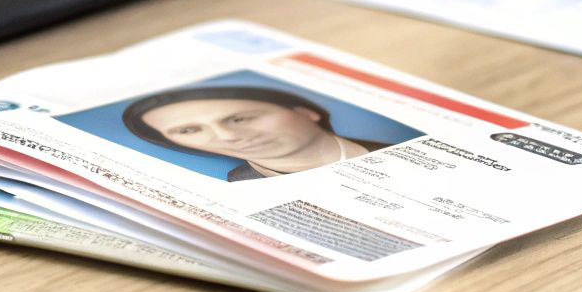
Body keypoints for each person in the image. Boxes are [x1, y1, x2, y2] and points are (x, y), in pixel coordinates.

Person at [122, 85, 387, 182]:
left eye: (240, 118)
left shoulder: (392, 147)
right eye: (188, 130)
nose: (227, 136)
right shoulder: (236, 188)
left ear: (306, 112)